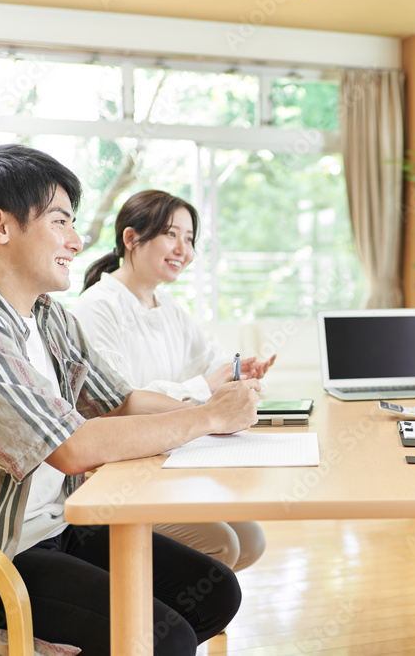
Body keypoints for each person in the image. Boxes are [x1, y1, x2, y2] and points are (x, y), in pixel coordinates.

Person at [0, 144, 260, 656]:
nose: (77, 241)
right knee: (164, 638)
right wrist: (205, 415)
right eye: (60, 222)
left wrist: (217, 415)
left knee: (215, 592)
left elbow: (119, 401)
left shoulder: (46, 315)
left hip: (51, 525)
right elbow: (71, 448)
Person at [69, 190, 272, 571]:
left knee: (250, 540)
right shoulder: (97, 307)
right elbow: (119, 403)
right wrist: (206, 390)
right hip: (120, 469)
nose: (183, 248)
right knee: (223, 545)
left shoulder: (169, 307)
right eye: (171, 234)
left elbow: (209, 360)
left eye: (190, 238)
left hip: (167, 456)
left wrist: (238, 371)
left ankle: (178, 621)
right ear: (131, 239)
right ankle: (151, 625)